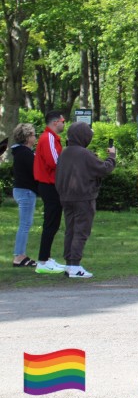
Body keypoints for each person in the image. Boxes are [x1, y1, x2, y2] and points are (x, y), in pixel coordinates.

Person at [54, 123, 116, 278]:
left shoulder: (64, 152)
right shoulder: (84, 154)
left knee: (70, 230)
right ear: (84, 136)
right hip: (83, 198)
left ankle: (69, 264)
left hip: (66, 197)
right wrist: (112, 157)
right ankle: (75, 266)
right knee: (81, 231)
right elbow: (104, 169)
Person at [33, 110, 67, 274]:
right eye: (63, 121)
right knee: (50, 223)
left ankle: (46, 258)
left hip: (51, 184)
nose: (64, 124)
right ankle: (42, 261)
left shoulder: (51, 138)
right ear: (55, 122)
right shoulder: (48, 138)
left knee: (53, 223)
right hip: (49, 184)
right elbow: (54, 161)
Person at [10, 123, 39, 267]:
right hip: (26, 191)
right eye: (33, 134)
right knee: (25, 224)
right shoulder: (25, 153)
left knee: (25, 223)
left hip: (21, 190)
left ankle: (20, 255)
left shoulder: (21, 152)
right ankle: (19, 256)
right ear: (27, 137)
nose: (35, 137)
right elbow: (35, 171)